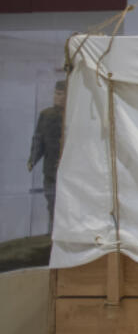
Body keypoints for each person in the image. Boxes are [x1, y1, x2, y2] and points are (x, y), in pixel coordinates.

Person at [27, 80, 66, 235]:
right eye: (57, 94)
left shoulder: (74, 114)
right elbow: (38, 139)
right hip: (50, 171)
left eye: (63, 94)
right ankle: (52, 235)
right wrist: (32, 159)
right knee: (52, 204)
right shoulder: (46, 115)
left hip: (70, 171)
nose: (60, 97)